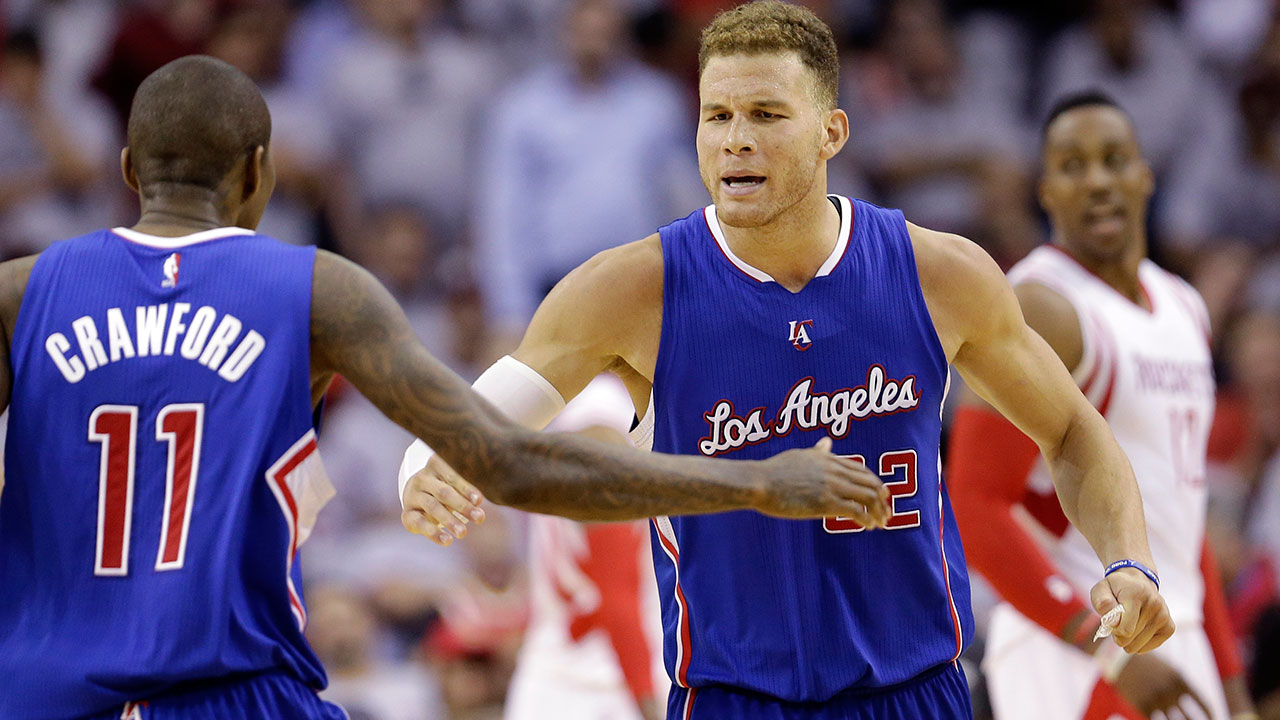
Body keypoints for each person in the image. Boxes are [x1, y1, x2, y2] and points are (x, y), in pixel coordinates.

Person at [0, 55, 893, 720]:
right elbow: (511, 465)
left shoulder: (20, 295)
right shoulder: (315, 291)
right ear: (258, 172)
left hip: (40, 691)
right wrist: (761, 480)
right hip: (232, 692)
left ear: (126, 171)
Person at [400, 3, 1176, 718]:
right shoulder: (629, 289)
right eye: (717, 116)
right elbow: (467, 430)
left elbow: (1073, 431)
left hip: (916, 690)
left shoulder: (941, 273)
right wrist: (423, 467)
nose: (736, 138)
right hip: (736, 696)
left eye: (766, 115)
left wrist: (1130, 562)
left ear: (832, 132)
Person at [948, 92, 1257, 720]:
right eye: (1072, 165)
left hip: (1177, 631)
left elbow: (1180, 514)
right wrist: (1103, 649)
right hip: (1072, 643)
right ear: (1047, 191)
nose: (1097, 181)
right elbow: (974, 504)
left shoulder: (1185, 308)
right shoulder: (1041, 307)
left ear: (1146, 176)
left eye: (1114, 160)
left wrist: (1233, 690)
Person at [505, 375, 666, 720]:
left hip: (546, 680)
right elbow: (616, 603)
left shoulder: (553, 480)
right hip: (610, 682)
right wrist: (648, 701)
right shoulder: (606, 413)